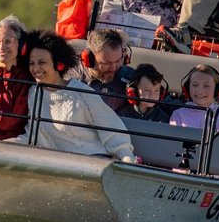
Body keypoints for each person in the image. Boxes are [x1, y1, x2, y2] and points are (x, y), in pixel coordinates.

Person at [16, 30, 137, 161]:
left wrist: (127, 159)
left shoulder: (82, 93)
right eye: (32, 64)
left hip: (94, 161)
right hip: (58, 164)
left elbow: (113, 131)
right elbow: (33, 135)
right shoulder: (33, 93)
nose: (36, 69)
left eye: (42, 63)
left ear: (58, 63)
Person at [78, 28, 136, 112]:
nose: (113, 68)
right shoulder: (70, 79)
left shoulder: (133, 79)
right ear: (88, 59)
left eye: (118, 61)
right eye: (106, 63)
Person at [168, 64, 219, 134]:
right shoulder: (178, 115)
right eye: (195, 85)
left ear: (217, 89)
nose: (200, 91)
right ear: (187, 88)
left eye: (206, 86)